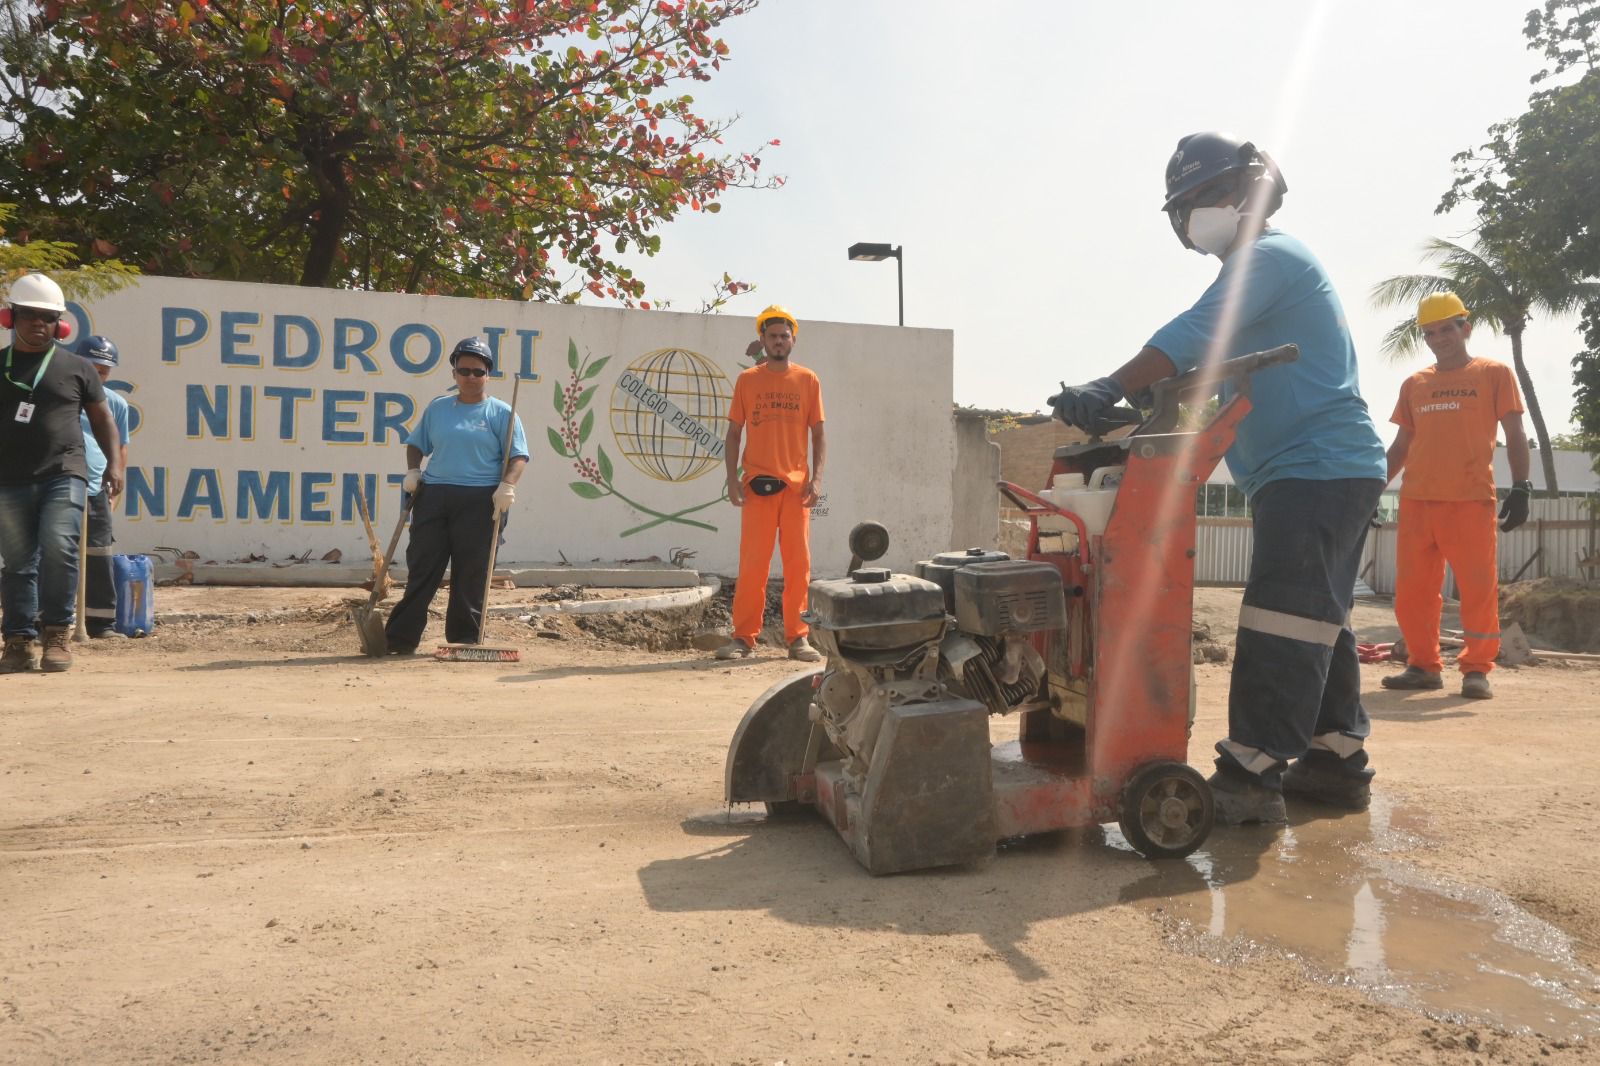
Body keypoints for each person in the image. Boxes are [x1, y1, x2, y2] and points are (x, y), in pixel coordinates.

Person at [1048, 133, 1387, 825]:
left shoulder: (1271, 257)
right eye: (1189, 202)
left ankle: (1251, 772)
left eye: (1209, 194)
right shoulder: (1254, 275)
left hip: (1318, 467)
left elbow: (1196, 329)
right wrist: (1138, 401)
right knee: (1318, 615)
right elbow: (1196, 368)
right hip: (1313, 471)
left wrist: (1111, 382)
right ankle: (1336, 759)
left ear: (1248, 191)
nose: (1200, 210)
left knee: (1283, 615)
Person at [1381, 292, 1531, 700]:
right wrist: (1369, 491)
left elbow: (1516, 434)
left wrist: (1521, 486)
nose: (1439, 338)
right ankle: (1422, 665)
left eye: (1446, 328)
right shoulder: (1415, 383)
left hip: (1470, 500)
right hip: (1417, 501)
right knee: (1412, 592)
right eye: (1430, 332)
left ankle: (1477, 668)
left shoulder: (1493, 373)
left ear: (1465, 328)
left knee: (1477, 589)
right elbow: (1399, 447)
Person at [0, 273, 124, 673]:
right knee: (18, 562)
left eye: (48, 318)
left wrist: (115, 465)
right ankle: (18, 641)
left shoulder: (77, 367)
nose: (39, 324)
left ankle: (57, 635)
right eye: (30, 315)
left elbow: (103, 419)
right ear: (10, 317)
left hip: (64, 473)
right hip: (8, 479)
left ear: (61, 325)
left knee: (59, 548)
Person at [382, 337, 528, 654]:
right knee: (423, 567)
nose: (470, 377)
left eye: (477, 371)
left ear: (488, 374)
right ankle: (399, 640)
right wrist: (413, 471)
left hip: (481, 500)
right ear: (454, 374)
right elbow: (416, 443)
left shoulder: (502, 412)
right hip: (434, 496)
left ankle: (464, 640)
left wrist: (507, 487)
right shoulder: (438, 408)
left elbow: (518, 456)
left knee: (471, 572)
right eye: (464, 370)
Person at [716, 305, 826, 662]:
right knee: (753, 566)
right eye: (773, 336)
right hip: (757, 487)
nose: (779, 341)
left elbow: (819, 434)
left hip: (796, 490)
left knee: (798, 567)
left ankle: (798, 638)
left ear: (792, 340)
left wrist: (817, 478)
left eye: (785, 336)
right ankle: (743, 638)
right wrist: (732, 478)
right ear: (762, 340)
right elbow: (734, 434)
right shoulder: (748, 380)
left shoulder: (808, 380)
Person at [77, 335, 132, 639]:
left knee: (99, 552)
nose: (98, 375)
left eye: (104, 371)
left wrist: (116, 480)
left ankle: (100, 623)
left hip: (96, 486)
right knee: (52, 554)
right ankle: (41, 623)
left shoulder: (117, 404)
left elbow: (121, 446)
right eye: (92, 368)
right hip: (59, 481)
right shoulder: (63, 395)